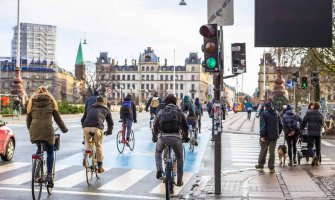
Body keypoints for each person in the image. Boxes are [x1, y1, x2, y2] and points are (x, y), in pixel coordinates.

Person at [26, 86, 68, 188]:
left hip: (34, 130)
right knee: (50, 150)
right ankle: (49, 176)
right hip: (48, 130)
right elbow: (58, 120)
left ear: (36, 93)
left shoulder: (31, 103)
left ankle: (36, 173)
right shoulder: (51, 102)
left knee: (39, 149)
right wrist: (64, 129)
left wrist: (31, 130)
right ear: (47, 93)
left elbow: (28, 121)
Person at [152, 94, 189, 186]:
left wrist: (155, 137)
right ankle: (179, 181)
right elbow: (185, 127)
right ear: (175, 102)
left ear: (166, 102)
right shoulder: (179, 112)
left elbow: (155, 125)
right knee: (180, 158)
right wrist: (185, 136)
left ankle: (159, 169)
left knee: (158, 152)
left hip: (163, 138)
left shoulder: (161, 111)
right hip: (176, 138)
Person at [81, 96, 114, 173]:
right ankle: (99, 167)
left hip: (86, 127)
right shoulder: (106, 109)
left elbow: (82, 119)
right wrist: (109, 131)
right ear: (103, 102)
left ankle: (86, 156)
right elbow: (110, 123)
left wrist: (84, 127)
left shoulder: (89, 107)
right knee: (98, 145)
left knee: (88, 143)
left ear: (96, 101)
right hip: (97, 128)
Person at [255, 101, 283, 173]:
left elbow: (262, 126)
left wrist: (262, 136)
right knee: (272, 152)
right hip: (274, 136)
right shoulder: (277, 113)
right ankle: (271, 167)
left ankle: (261, 165)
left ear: (265, 107)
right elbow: (280, 125)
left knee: (263, 150)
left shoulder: (263, 114)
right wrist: (278, 133)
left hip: (266, 135)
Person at [300, 102, 324, 166]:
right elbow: (322, 124)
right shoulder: (321, 114)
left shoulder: (308, 113)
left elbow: (304, 122)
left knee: (310, 146)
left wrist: (302, 129)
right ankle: (317, 160)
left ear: (313, 107)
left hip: (311, 132)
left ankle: (313, 156)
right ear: (319, 107)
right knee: (318, 147)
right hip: (318, 133)